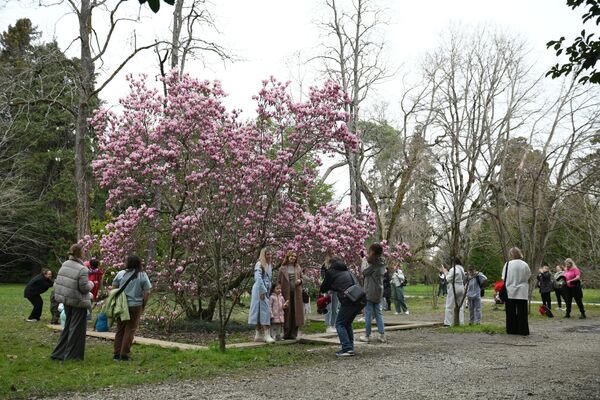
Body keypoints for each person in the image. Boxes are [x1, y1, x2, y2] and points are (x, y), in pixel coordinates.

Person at [51, 244, 94, 361]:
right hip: (78, 301)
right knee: (77, 329)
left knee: (68, 327)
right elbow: (84, 288)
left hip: (66, 300)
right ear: (80, 253)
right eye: (84, 251)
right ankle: (73, 356)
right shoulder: (82, 269)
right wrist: (92, 284)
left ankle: (59, 353)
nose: (85, 252)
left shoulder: (64, 264)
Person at [320, 257, 365, 357]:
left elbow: (323, 288)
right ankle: (350, 347)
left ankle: (347, 348)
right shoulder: (347, 271)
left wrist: (329, 283)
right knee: (347, 323)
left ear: (330, 263)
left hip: (349, 299)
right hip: (360, 298)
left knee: (339, 324)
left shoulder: (331, 272)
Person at [112, 255, 152, 361]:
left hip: (122, 305)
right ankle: (124, 354)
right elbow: (147, 291)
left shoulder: (121, 274)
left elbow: (114, 287)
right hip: (136, 305)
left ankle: (116, 354)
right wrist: (143, 304)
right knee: (130, 329)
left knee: (120, 329)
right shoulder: (142, 275)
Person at [359, 243, 387, 343]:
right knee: (379, 313)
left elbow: (364, 272)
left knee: (368, 314)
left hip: (370, 291)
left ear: (373, 252)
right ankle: (382, 334)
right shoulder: (382, 262)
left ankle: (367, 335)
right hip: (379, 291)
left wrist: (363, 261)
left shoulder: (372, 264)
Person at [248, 247, 275, 343]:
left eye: (271, 254)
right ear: (263, 255)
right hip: (259, 290)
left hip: (266, 290)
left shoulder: (269, 264)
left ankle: (259, 335)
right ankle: (264, 335)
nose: (270, 256)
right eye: (267, 254)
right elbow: (258, 278)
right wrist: (262, 291)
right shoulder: (259, 264)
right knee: (262, 312)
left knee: (263, 311)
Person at [502, 247, 531, 336]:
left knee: (510, 313)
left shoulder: (507, 264)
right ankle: (523, 330)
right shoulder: (525, 264)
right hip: (522, 291)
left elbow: (503, 278)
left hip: (510, 290)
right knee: (522, 313)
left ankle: (511, 330)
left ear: (511, 254)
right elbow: (528, 276)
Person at [278, 251, 304, 340]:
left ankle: (294, 334)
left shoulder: (298, 267)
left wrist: (300, 281)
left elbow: (302, 278)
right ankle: (286, 333)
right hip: (286, 293)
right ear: (288, 257)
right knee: (287, 313)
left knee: (296, 313)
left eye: (295, 256)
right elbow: (278, 281)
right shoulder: (282, 268)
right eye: (291, 256)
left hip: (297, 294)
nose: (293, 258)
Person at [444, 258, 466, 326]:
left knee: (449, 305)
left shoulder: (453, 269)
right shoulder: (462, 269)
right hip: (461, 286)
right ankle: (461, 322)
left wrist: (445, 272)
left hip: (454, 287)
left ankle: (448, 323)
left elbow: (448, 279)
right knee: (460, 306)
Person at [320, 253, 338, 333]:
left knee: (335, 307)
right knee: (329, 307)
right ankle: (329, 325)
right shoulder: (324, 266)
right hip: (328, 289)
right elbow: (322, 278)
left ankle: (333, 324)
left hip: (336, 288)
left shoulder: (336, 265)